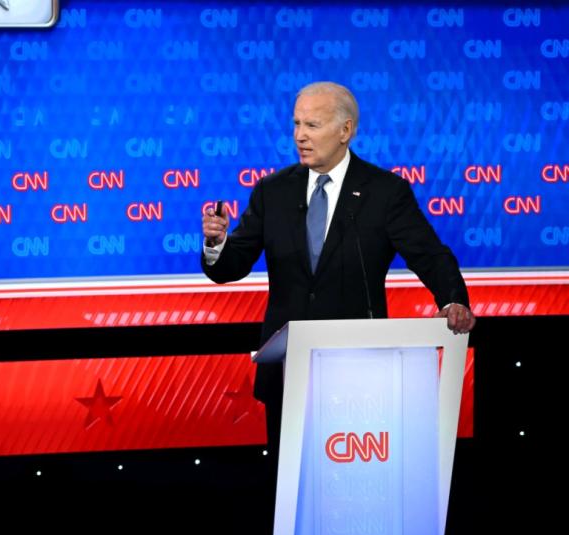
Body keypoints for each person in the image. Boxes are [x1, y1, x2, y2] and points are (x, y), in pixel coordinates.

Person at [201, 81, 475, 459]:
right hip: (289, 371)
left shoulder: (384, 192)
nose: (299, 136)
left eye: (312, 125)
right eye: (296, 124)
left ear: (345, 131)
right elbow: (231, 267)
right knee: (289, 483)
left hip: (359, 370)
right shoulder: (272, 191)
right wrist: (217, 243)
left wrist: (452, 300)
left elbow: (430, 255)